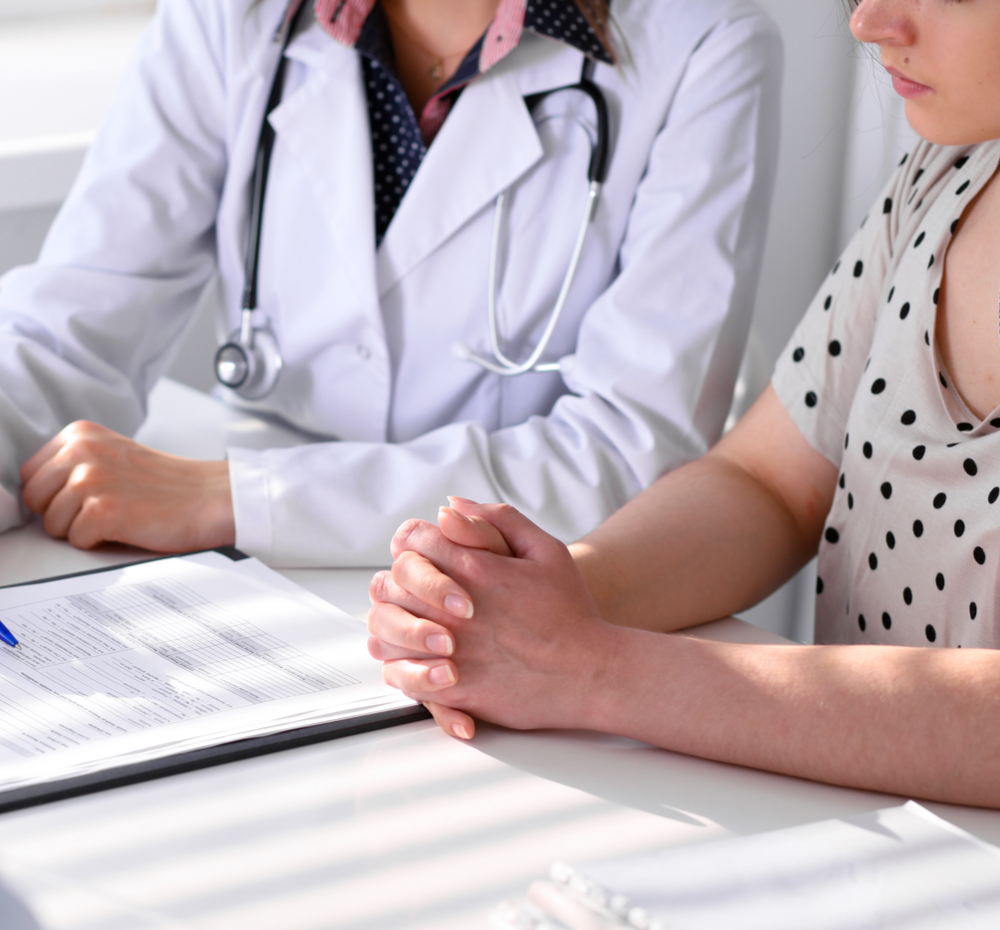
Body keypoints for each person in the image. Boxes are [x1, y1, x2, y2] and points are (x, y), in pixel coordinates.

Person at [367, 0, 1000, 809]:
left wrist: (597, 671)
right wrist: (534, 599)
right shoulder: (944, 177)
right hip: (868, 840)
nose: (870, 22)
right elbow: (768, 483)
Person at [0, 0, 781, 566]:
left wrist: (238, 497)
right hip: (248, 583)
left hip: (518, 592)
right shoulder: (229, 18)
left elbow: (630, 453)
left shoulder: (705, 45)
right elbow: (71, 328)